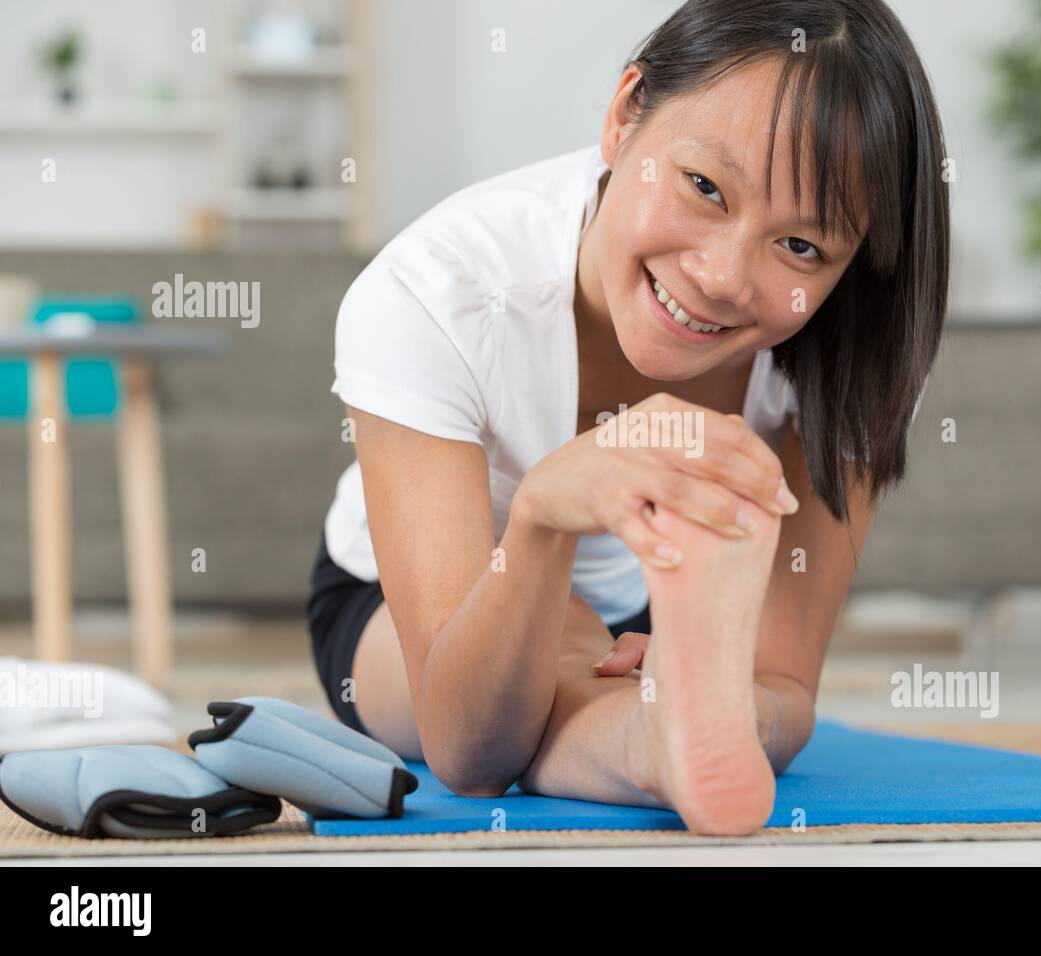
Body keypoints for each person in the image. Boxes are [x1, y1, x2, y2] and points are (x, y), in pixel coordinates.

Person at [307, 0, 948, 835]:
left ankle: (676, 723)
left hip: (665, 614)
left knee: (710, 690)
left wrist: (734, 698)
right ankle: (656, 738)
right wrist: (542, 515)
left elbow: (788, 686)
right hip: (408, 610)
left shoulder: (855, 344)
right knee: (546, 660)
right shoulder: (434, 293)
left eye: (801, 248)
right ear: (624, 116)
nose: (722, 276)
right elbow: (465, 749)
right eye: (705, 188)